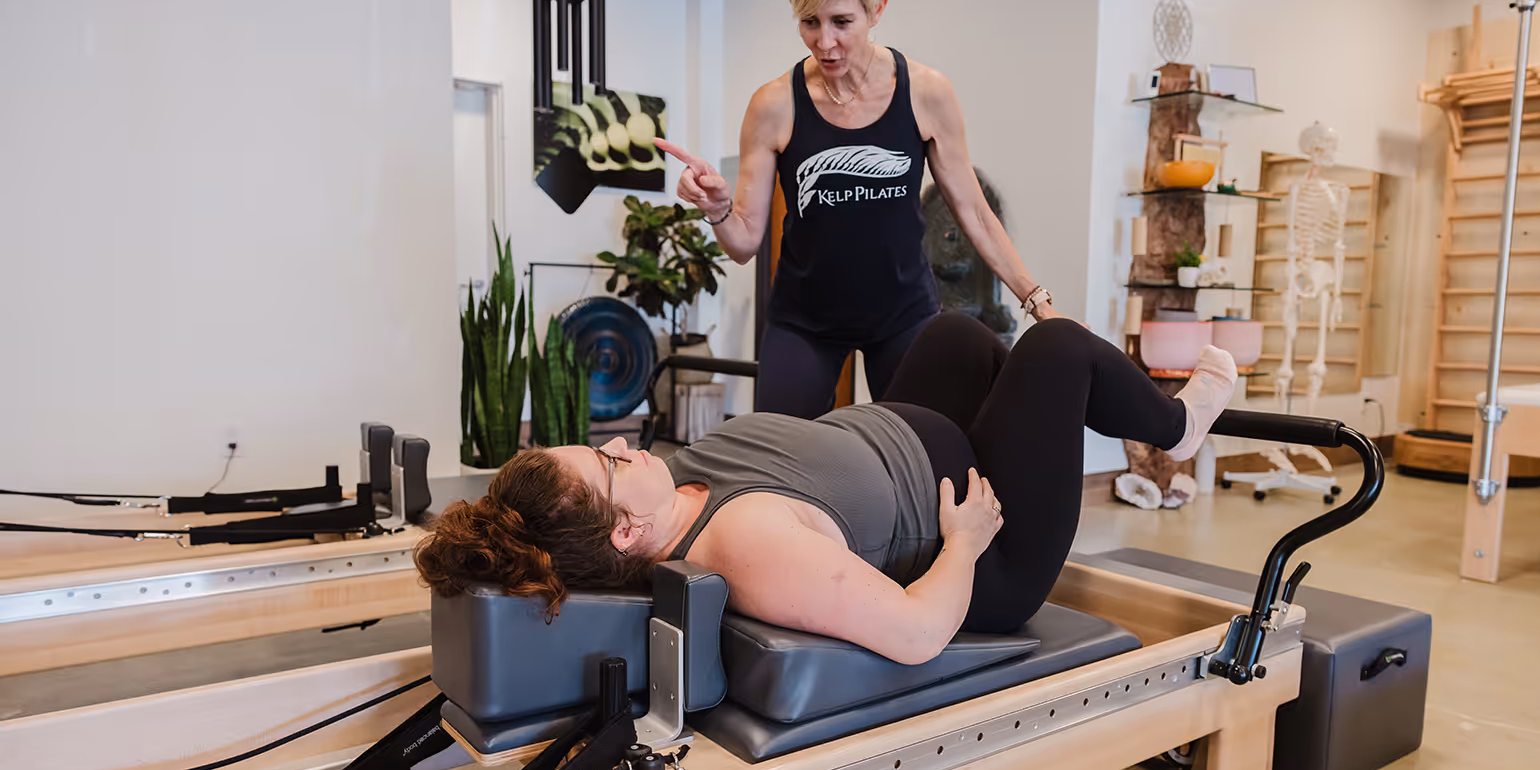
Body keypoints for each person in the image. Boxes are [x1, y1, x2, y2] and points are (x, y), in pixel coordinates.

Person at [415, 315, 1237, 666]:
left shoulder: (679, 491)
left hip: (929, 451)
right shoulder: (746, 545)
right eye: (611, 464)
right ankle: (1174, 430)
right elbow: (916, 633)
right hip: (992, 548)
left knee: (951, 335)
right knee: (1058, 350)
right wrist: (965, 545)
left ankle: (1085, 403)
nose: (624, 444)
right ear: (626, 532)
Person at [653, 0, 1057, 419]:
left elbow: (973, 210)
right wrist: (717, 209)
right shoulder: (774, 105)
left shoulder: (925, 92)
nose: (825, 43)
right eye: (809, 22)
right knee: (778, 461)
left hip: (904, 316)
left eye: (841, 22)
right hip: (803, 321)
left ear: (876, 9)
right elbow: (742, 245)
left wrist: (1037, 301)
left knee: (919, 463)